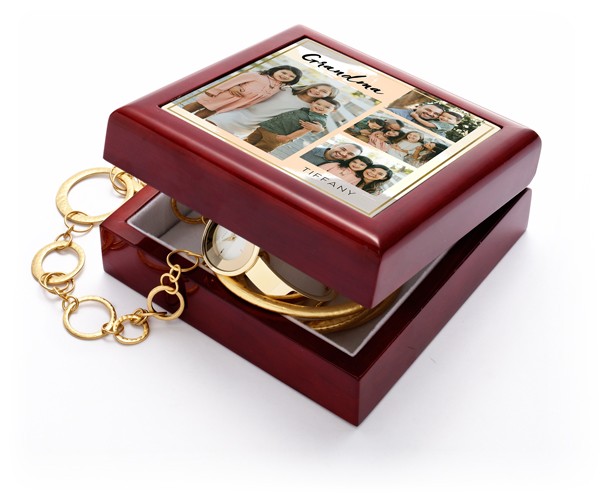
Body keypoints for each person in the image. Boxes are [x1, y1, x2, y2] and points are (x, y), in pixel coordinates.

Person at [208, 83, 339, 138]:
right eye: (317, 87)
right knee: (209, 125)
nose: (317, 91)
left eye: (323, 92)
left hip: (257, 126)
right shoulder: (287, 89)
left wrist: (319, 128)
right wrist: (237, 86)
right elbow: (261, 87)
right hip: (241, 113)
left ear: (328, 97)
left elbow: (320, 122)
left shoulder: (311, 109)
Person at [182, 65, 303, 118]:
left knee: (209, 112)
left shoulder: (280, 88)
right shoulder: (258, 76)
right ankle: (179, 115)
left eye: (291, 76)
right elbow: (234, 80)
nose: (286, 76)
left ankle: (189, 122)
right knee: (198, 104)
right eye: (284, 72)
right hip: (224, 95)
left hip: (235, 103)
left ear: (294, 80)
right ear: (276, 70)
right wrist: (215, 90)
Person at [244, 97, 340, 153]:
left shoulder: (319, 120)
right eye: (318, 104)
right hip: (265, 127)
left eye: (327, 107)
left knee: (260, 149)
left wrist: (288, 138)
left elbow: (304, 130)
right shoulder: (305, 110)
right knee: (248, 141)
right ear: (313, 103)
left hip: (277, 136)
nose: (320, 107)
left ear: (334, 111)